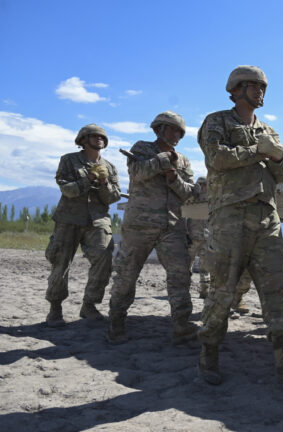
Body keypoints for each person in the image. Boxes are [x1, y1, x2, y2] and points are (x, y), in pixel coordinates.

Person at [196, 65, 283, 385]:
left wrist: (277, 159)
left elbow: (280, 173)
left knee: (277, 290)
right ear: (235, 89)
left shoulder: (268, 130)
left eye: (263, 87)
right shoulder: (217, 121)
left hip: (266, 219)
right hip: (230, 217)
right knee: (222, 288)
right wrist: (257, 151)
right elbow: (216, 158)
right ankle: (209, 354)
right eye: (253, 86)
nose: (260, 91)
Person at [107, 112, 200, 345]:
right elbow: (137, 174)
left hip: (172, 225)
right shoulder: (141, 148)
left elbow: (189, 192)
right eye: (172, 130)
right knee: (127, 274)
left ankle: (181, 324)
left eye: (180, 132)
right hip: (140, 224)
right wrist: (161, 161)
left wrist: (173, 176)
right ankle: (116, 322)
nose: (176, 135)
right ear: (159, 129)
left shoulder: (184, 161)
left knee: (180, 275)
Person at [45, 124, 121, 327]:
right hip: (69, 219)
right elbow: (68, 190)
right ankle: (55, 307)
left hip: (98, 220)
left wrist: (104, 182)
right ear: (83, 140)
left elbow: (113, 197)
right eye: (94, 136)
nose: (99, 139)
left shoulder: (110, 166)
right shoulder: (69, 160)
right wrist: (88, 179)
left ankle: (89, 305)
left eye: (102, 137)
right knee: (60, 263)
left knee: (104, 257)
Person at [186, 176, 211, 299]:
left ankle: (205, 290)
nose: (203, 187)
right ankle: (186, 289)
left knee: (204, 267)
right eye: (201, 184)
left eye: (204, 184)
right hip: (195, 237)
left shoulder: (196, 199)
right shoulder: (194, 198)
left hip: (201, 237)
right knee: (188, 265)